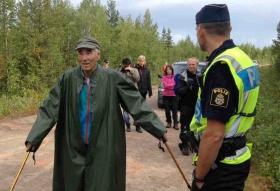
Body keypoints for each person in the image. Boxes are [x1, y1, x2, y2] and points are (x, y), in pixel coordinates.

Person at [25, 37, 167, 191]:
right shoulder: (66, 79)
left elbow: (137, 104)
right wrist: (35, 137)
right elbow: (49, 108)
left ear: (98, 55)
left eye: (89, 52)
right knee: (71, 184)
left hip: (103, 145)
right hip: (72, 146)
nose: (84, 58)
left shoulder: (113, 78)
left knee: (101, 184)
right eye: (80, 53)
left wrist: (157, 128)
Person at [189, 4, 260, 191]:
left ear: (201, 30)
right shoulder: (243, 59)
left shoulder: (222, 67)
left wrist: (199, 178)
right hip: (239, 156)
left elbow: (214, 135)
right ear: (229, 28)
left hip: (221, 166)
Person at [175, 57, 199, 156]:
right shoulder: (182, 76)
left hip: (198, 105)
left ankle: (194, 143)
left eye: (193, 64)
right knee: (185, 125)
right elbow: (178, 91)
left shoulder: (200, 76)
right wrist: (187, 87)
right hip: (185, 104)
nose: (191, 66)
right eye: (189, 64)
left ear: (197, 65)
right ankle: (184, 144)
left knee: (196, 126)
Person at [119, 57, 140, 132]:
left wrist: (131, 71)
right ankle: (128, 125)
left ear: (130, 64)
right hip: (125, 93)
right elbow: (119, 80)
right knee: (125, 111)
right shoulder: (122, 70)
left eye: (127, 65)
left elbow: (137, 79)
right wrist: (122, 71)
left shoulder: (135, 70)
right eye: (125, 65)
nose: (126, 67)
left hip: (134, 92)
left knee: (136, 111)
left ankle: (138, 126)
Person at [135, 55, 153, 133]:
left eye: (143, 60)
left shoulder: (147, 70)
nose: (142, 62)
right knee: (137, 108)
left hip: (143, 91)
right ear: (138, 61)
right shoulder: (134, 68)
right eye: (140, 60)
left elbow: (149, 81)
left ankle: (139, 123)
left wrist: (150, 91)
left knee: (142, 108)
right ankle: (137, 125)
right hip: (136, 91)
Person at [162, 65, 179, 130]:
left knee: (174, 110)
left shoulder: (175, 77)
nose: (169, 70)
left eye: (170, 69)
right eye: (167, 69)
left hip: (174, 95)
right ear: (166, 71)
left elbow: (176, 85)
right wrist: (171, 85)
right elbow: (165, 85)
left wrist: (170, 86)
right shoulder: (164, 77)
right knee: (167, 110)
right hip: (166, 95)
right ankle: (168, 122)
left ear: (172, 70)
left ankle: (175, 123)